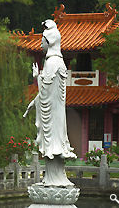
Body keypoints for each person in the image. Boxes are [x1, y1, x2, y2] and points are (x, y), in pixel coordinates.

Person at [23, 19, 76, 186]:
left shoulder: (52, 62)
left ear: (50, 42)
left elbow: (45, 91)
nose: (40, 45)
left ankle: (53, 179)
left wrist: (35, 76)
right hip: (57, 115)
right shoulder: (59, 62)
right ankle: (53, 177)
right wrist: (34, 101)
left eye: (42, 41)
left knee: (53, 146)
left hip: (53, 116)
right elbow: (48, 93)